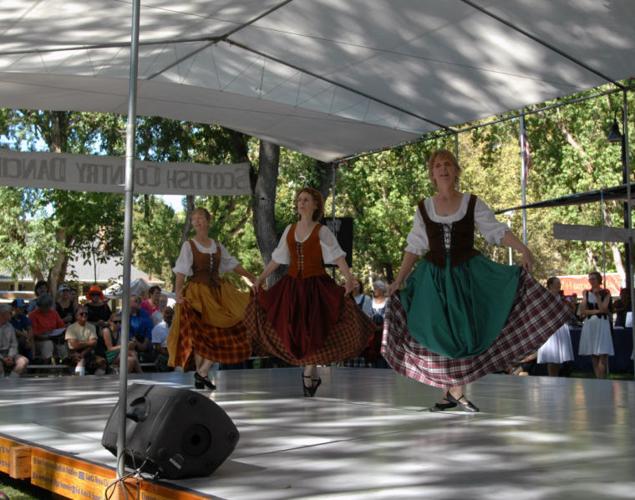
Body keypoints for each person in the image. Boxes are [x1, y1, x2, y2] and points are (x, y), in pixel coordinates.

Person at [384, 149, 572, 412]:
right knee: (441, 332)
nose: (443, 169)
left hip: (467, 275)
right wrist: (399, 279)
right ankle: (450, 392)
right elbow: (414, 247)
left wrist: (522, 249)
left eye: (448, 164)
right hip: (434, 278)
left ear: (456, 170)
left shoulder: (472, 203)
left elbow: (495, 231)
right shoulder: (424, 208)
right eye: (437, 165)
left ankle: (455, 392)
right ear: (432, 174)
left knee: (467, 332)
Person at [245, 187, 373, 396]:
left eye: (306, 200)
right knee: (294, 331)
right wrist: (260, 278)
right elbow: (277, 259)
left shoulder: (322, 231)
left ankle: (308, 374)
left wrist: (349, 278)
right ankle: (310, 376)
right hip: (292, 288)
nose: (301, 203)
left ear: (315, 205)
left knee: (316, 331)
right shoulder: (289, 229)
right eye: (299, 200)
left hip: (317, 289)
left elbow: (339, 257)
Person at [167, 207, 257, 390]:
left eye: (200, 218)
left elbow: (233, 265)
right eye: (194, 219)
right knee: (202, 336)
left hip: (217, 293)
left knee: (227, 331)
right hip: (197, 295)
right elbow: (181, 272)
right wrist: (178, 294)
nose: (197, 221)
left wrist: (252, 277)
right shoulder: (189, 245)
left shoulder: (217, 245)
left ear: (208, 221)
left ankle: (202, 372)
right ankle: (202, 374)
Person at [578, 271, 614, 378]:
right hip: (590, 324)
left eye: (593, 279)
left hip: (602, 324)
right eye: (590, 279)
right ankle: (597, 379)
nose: (591, 281)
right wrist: (585, 297)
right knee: (593, 353)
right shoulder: (587, 293)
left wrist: (598, 297)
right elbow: (583, 311)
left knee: (602, 353)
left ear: (598, 280)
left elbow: (603, 308)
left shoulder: (605, 292)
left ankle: (601, 379)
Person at [537, 277, 575, 376]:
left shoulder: (562, 298)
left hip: (561, 328)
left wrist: (571, 306)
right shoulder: (544, 298)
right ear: (550, 285)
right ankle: (552, 377)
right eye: (557, 283)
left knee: (558, 357)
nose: (559, 285)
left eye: (559, 283)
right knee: (552, 357)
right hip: (550, 328)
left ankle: (556, 377)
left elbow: (570, 312)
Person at [65, 306, 106, 376]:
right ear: (76, 316)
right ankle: (79, 381)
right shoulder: (71, 328)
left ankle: (97, 381)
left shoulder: (92, 327)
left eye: (86, 314)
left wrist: (82, 352)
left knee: (102, 362)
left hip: (88, 352)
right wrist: (88, 342)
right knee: (81, 361)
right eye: (81, 314)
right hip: (74, 353)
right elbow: (74, 345)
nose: (84, 315)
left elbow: (94, 343)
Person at [28, 293, 66, 363]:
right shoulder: (33, 315)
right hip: (39, 341)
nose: (46, 308)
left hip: (54, 339)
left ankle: (64, 365)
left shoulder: (54, 313)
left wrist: (58, 332)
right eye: (43, 306)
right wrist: (45, 334)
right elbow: (33, 333)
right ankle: (46, 367)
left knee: (62, 345)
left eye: (47, 306)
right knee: (48, 344)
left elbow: (62, 326)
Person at [0, 304, 29, 377]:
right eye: (10, 313)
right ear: (3, 314)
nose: (11, 314)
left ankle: (11, 381)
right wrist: (3, 358)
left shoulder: (10, 326)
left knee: (23, 361)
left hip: (8, 353)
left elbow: (14, 344)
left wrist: (10, 356)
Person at [152, 306, 173, 371]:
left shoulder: (177, 327)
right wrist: (170, 355)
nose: (169, 315)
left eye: (171, 313)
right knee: (162, 359)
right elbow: (157, 347)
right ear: (163, 315)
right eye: (166, 313)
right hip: (163, 353)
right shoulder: (157, 328)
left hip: (175, 351)